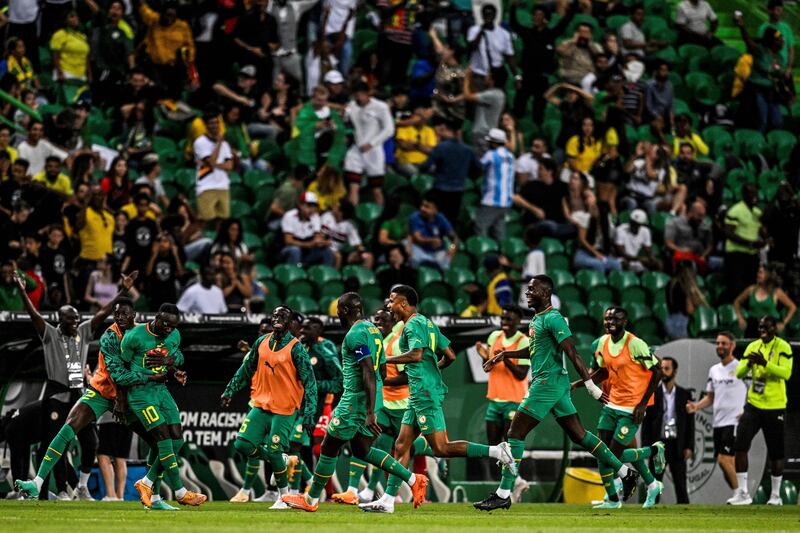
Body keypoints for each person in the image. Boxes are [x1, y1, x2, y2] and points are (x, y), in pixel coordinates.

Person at [474, 276, 640, 511]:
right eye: (527, 289)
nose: (527, 292)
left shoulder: (554, 318)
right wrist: (504, 355)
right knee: (580, 435)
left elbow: (573, 353)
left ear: (545, 292)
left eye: (532, 289)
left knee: (514, 433)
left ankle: (503, 493)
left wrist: (591, 386)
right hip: (555, 384)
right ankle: (625, 472)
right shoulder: (538, 319)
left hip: (547, 384)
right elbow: (534, 349)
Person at [357, 285, 516, 514]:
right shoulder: (427, 323)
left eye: (391, 301)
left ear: (403, 303)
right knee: (401, 445)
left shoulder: (412, 325)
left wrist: (385, 358)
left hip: (424, 394)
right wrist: (433, 370)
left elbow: (417, 354)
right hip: (418, 392)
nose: (388, 305)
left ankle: (497, 452)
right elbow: (449, 355)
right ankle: (388, 500)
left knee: (441, 448)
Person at [283, 292, 431, 512]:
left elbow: (369, 372)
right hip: (374, 398)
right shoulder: (374, 330)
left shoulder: (355, 334)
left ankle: (311, 499)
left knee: (328, 446)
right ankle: (412, 479)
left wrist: (370, 411)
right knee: (363, 450)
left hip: (355, 402)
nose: (338, 315)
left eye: (338, 312)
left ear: (344, 310)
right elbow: (381, 369)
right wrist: (374, 403)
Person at [11, 271, 136, 501]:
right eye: (71, 319)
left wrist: (124, 291)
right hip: (57, 395)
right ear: (61, 320)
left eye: (77, 318)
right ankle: (53, 491)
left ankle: (81, 486)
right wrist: (21, 291)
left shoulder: (83, 332)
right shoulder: (49, 334)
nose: (76, 322)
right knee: (56, 442)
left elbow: (102, 312)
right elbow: (33, 314)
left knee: (92, 443)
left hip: (80, 394)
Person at [220, 306, 317, 509]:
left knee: (273, 451)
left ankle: (283, 497)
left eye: (283, 316)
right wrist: (230, 390)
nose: (278, 318)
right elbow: (246, 369)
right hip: (261, 405)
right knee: (242, 445)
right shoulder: (261, 342)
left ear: (291, 323)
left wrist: (308, 414)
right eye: (275, 315)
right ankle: (282, 460)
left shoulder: (296, 348)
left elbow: (310, 383)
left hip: (285, 409)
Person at [124, 303, 207, 508]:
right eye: (166, 324)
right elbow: (120, 368)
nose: (169, 329)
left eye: (173, 326)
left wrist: (172, 361)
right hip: (141, 393)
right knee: (162, 436)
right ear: (157, 318)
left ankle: (146, 482)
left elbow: (179, 356)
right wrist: (120, 400)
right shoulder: (134, 335)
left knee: (177, 439)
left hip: (162, 392)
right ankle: (180, 492)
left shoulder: (174, 335)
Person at [582, 307, 666, 509]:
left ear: (625, 322)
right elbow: (600, 372)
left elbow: (657, 369)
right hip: (612, 402)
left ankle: (654, 451)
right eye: (606, 318)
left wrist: (643, 403)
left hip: (632, 406)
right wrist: (581, 383)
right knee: (606, 452)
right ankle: (650, 484)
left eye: (615, 318)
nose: (609, 321)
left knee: (612, 455)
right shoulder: (600, 343)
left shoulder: (635, 343)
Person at [727, 316, 793, 506]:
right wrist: (748, 363)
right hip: (754, 405)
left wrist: (765, 364)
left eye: (766, 326)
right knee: (740, 445)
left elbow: (786, 373)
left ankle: (775, 496)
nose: (762, 329)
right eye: (760, 326)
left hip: (775, 405)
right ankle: (743, 493)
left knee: (776, 452)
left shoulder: (783, 347)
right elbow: (738, 373)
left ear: (775, 328)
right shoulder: (752, 346)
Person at [686, 332, 747, 491]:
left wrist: (747, 411)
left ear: (732, 346)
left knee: (723, 459)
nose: (720, 346)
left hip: (734, 421)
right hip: (718, 422)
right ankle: (739, 495)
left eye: (724, 343)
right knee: (727, 462)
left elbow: (754, 392)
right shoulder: (714, 370)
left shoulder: (742, 368)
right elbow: (710, 397)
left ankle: (741, 494)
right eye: (718, 343)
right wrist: (696, 406)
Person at [510, 0, 575, 122]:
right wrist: (513, 6)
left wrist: (573, 7)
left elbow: (564, 22)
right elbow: (514, 24)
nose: (536, 17)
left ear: (546, 18)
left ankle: (538, 131)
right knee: (519, 105)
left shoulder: (550, 35)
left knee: (539, 108)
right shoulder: (528, 33)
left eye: (540, 15)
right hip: (527, 75)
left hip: (542, 78)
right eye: (535, 15)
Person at [475, 305, 530, 448]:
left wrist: (505, 358)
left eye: (509, 319)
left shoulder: (523, 341)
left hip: (514, 400)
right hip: (494, 400)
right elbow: (487, 368)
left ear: (518, 320)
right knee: (493, 447)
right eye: (503, 318)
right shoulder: (494, 336)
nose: (505, 322)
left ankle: (511, 471)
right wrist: (484, 358)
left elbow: (521, 374)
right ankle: (496, 471)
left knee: (509, 446)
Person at [642, 357, 694, 504]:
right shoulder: (653, 393)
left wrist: (689, 446)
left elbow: (690, 423)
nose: (663, 372)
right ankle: (650, 508)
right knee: (654, 483)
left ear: (674, 371)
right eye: (661, 368)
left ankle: (685, 512)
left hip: (677, 443)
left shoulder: (685, 395)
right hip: (658, 444)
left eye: (666, 368)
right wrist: (647, 445)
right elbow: (646, 422)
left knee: (681, 484)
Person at [418, 119, 480, 226]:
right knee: (451, 223)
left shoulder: (441, 147)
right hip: (457, 192)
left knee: (434, 220)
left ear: (448, 130)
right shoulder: (468, 150)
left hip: (440, 190)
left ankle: (436, 241)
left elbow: (425, 166)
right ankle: (451, 243)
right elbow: (478, 167)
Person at [343, 82, 394, 205]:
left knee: (376, 190)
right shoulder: (352, 106)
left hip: (374, 151)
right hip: (357, 150)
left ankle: (380, 217)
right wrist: (344, 115)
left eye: (361, 94)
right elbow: (347, 121)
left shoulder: (380, 107)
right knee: (353, 188)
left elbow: (389, 129)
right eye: (356, 95)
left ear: (368, 93)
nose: (359, 98)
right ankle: (351, 215)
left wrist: (372, 143)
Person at [736, 16, 788, 133]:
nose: (782, 41)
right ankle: (758, 146)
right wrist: (742, 26)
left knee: (777, 122)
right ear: (771, 41)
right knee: (761, 120)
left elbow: (781, 74)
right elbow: (748, 40)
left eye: (782, 39)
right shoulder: (760, 51)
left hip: (771, 93)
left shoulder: (779, 57)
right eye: (779, 39)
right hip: (757, 91)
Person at [724, 185, 765, 302]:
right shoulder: (735, 210)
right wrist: (749, 243)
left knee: (751, 286)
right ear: (744, 195)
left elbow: (761, 232)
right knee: (736, 288)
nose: (755, 197)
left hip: (752, 255)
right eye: (751, 194)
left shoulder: (757, 212)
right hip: (736, 254)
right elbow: (728, 233)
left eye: (756, 194)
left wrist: (764, 241)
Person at [475, 128, 515, 242]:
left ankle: (482, 254)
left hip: (491, 200)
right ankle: (500, 254)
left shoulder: (491, 154)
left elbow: (479, 167)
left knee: (480, 227)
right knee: (499, 232)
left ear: (493, 142)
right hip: (506, 201)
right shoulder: (510, 156)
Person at [734, 266, 797, 337]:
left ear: (768, 275)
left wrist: (783, 323)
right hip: (753, 326)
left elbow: (792, 307)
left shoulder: (776, 291)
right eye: (758, 272)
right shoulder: (751, 289)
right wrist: (740, 318)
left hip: (769, 326)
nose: (758, 275)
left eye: (761, 273)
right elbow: (737, 302)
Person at [194, 112, 234, 223]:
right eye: (212, 123)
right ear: (206, 125)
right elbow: (211, 161)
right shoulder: (200, 142)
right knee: (204, 221)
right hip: (206, 186)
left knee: (223, 222)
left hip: (223, 186)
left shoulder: (225, 144)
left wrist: (215, 165)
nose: (215, 125)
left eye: (217, 123)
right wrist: (219, 143)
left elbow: (230, 165)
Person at [280, 191, 335, 267]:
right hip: (287, 250)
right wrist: (308, 245)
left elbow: (317, 237)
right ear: (300, 205)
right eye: (309, 206)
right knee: (295, 250)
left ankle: (327, 275)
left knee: (327, 251)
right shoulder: (289, 216)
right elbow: (288, 241)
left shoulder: (315, 217)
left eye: (314, 206)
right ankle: (293, 275)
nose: (312, 209)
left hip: (306, 251)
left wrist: (323, 242)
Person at [466, 4, 516, 86]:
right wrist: (481, 32)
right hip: (479, 75)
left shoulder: (504, 34)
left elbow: (509, 56)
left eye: (490, 14)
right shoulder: (474, 30)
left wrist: (516, 76)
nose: (488, 16)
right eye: (485, 14)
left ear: (495, 15)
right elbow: (472, 48)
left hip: (496, 74)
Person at [408, 195, 458, 271]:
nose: (422, 209)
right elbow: (417, 238)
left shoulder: (441, 218)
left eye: (427, 207)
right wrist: (431, 241)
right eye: (422, 205)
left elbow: (455, 239)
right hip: (420, 249)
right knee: (414, 260)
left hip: (438, 251)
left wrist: (451, 250)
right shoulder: (415, 217)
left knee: (445, 265)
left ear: (435, 210)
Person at [664, 201, 714, 272]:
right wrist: (681, 251)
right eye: (699, 215)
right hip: (682, 256)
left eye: (703, 215)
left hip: (700, 257)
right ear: (690, 213)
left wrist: (704, 255)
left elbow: (710, 245)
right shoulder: (674, 223)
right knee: (686, 262)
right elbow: (668, 243)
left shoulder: (705, 226)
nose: (702, 219)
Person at [665, 260, 708, 340]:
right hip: (681, 323)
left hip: (670, 320)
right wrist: (696, 303)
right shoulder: (686, 286)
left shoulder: (670, 283)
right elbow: (689, 310)